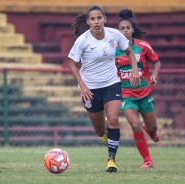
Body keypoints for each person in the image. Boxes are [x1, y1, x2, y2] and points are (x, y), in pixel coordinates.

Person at [68, 5, 140, 173]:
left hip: (111, 83)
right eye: (92, 19)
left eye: (99, 18)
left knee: (113, 120)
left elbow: (129, 52)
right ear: (88, 22)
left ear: (105, 19)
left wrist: (135, 70)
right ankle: (106, 137)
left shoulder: (114, 35)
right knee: (100, 130)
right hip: (90, 89)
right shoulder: (82, 41)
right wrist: (83, 86)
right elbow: (72, 63)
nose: (96, 21)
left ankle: (111, 160)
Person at [115, 9, 161, 168]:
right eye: (122, 29)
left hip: (145, 93)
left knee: (153, 129)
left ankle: (151, 131)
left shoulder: (143, 46)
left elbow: (157, 61)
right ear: (118, 32)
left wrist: (154, 74)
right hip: (126, 95)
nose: (125, 31)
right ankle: (147, 160)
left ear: (132, 29)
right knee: (134, 125)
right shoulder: (114, 49)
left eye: (128, 28)